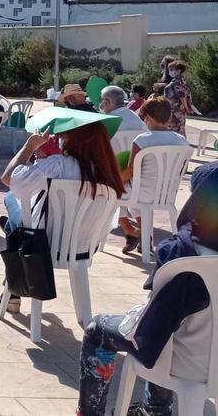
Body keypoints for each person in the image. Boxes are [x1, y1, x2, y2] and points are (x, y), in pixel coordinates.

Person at [75, 164, 216, 416]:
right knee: (171, 323)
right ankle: (153, 408)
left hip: (187, 360)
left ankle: (92, 413)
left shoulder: (182, 251)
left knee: (98, 329)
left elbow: (156, 321)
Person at [0, 120, 123, 312]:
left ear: (75, 140)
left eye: (64, 135)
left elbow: (8, 178)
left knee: (11, 199)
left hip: (42, 245)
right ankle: (12, 232)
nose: (61, 139)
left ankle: (13, 286)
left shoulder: (58, 164)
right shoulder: (108, 176)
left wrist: (30, 146)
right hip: (82, 247)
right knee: (17, 220)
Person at [117, 97, 191, 253]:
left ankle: (133, 231)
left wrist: (113, 180)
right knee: (127, 191)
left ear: (148, 117)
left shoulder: (142, 140)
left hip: (141, 195)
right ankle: (142, 234)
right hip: (167, 195)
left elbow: (131, 171)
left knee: (111, 191)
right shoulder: (182, 141)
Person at [163, 60, 194, 136]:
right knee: (177, 129)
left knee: (176, 130)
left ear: (179, 70)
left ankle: (179, 146)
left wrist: (186, 108)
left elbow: (182, 95)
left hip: (176, 110)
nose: (170, 71)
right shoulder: (179, 80)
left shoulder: (178, 81)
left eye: (172, 69)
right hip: (175, 110)